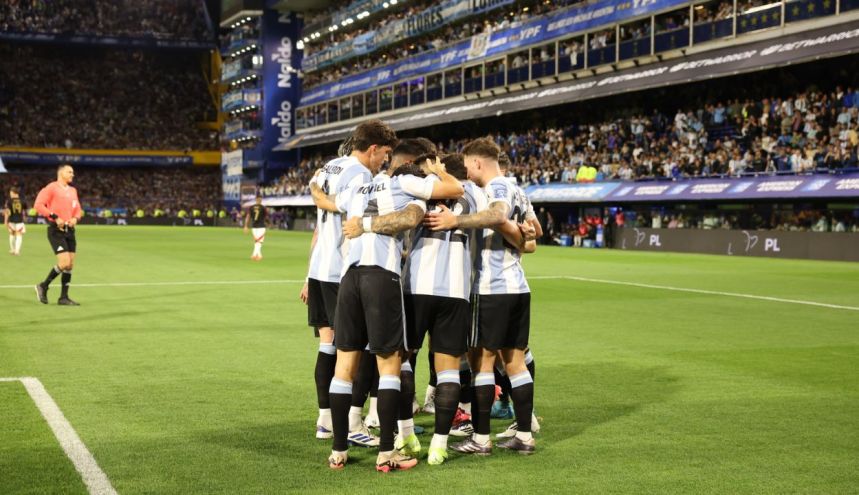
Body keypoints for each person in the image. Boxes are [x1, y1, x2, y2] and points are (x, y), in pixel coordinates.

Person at [311, 151, 464, 472]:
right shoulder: (406, 184)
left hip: (349, 277)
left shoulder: (357, 189)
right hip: (381, 277)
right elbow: (434, 203)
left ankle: (338, 450)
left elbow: (325, 202)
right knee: (390, 365)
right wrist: (437, 173)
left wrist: (315, 184)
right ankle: (386, 453)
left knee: (344, 366)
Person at [425, 138, 537, 455]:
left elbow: (498, 214)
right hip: (517, 286)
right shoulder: (519, 189)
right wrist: (521, 235)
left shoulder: (496, 189)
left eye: (468, 165)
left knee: (482, 362)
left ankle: (482, 438)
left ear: (476, 162)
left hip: (491, 286)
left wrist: (455, 220)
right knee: (515, 362)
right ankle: (526, 436)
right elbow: (534, 232)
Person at [299, 122, 394, 448]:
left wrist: (308, 274)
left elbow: (318, 221)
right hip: (344, 270)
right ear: (373, 149)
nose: (384, 161)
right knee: (360, 349)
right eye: (384, 154)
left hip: (320, 270)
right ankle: (354, 419)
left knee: (328, 347)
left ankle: (325, 420)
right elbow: (343, 216)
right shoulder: (361, 176)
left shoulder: (327, 167)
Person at [34, 164, 82, 306]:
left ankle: (63, 297)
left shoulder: (73, 190)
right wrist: (55, 217)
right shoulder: (51, 188)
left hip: (70, 230)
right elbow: (38, 205)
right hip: (56, 230)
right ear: (61, 173)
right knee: (64, 262)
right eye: (70, 172)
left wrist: (75, 218)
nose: (72, 174)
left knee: (70, 265)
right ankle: (43, 285)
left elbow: (78, 209)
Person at [243, 196, 268, 261]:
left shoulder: (251, 207)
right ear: (260, 200)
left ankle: (255, 255)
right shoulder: (263, 208)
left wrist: (246, 226)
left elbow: (248, 217)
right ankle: (258, 255)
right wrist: (270, 224)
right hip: (261, 226)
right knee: (259, 241)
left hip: (254, 227)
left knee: (257, 241)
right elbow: (266, 217)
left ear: (256, 200)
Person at [4, 186, 27, 256]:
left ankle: (12, 249)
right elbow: (24, 211)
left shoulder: (9, 201)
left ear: (14, 193)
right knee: (19, 235)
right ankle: (17, 251)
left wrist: (5, 221)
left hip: (11, 220)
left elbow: (7, 211)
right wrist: (24, 217)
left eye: (10, 193)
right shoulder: (23, 200)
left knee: (12, 234)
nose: (10, 194)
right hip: (20, 220)